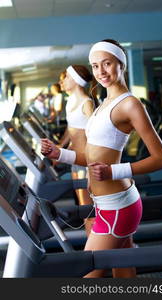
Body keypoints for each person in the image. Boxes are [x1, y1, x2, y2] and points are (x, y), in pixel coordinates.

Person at [41, 39, 162, 278]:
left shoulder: (130, 105)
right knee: (123, 274)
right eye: (95, 66)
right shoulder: (102, 105)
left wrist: (113, 172)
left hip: (118, 206)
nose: (101, 71)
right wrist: (60, 153)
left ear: (121, 64)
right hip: (106, 205)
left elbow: (161, 159)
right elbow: (92, 158)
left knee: (87, 275)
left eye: (107, 63)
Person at [44, 65, 99, 236]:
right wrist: (60, 149)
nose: (62, 80)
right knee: (84, 206)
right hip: (76, 160)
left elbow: (97, 135)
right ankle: (94, 246)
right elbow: (72, 130)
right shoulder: (70, 102)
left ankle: (96, 249)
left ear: (75, 80)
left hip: (87, 161)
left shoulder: (87, 103)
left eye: (66, 77)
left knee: (88, 208)